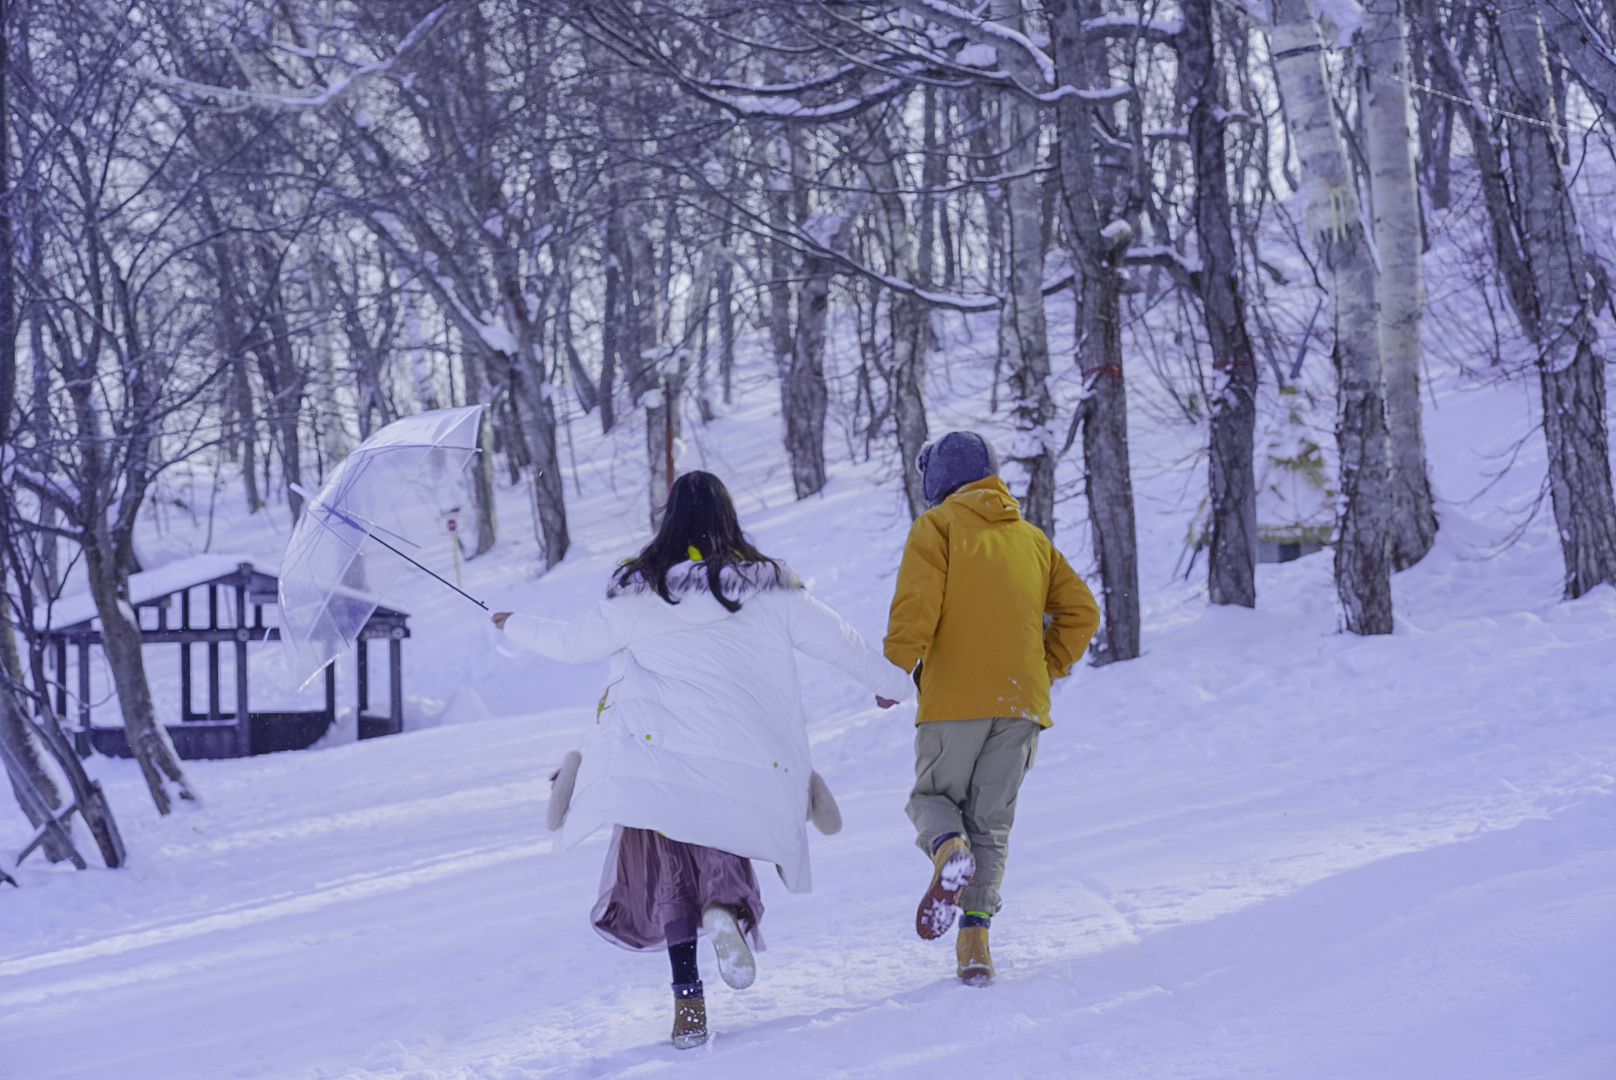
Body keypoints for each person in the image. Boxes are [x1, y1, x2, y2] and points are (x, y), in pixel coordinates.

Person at [493, 471, 912, 1049]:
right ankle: (724, 909)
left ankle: (688, 1007)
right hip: (740, 760)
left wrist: (511, 622)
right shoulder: (769, 593)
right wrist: (894, 684)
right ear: (727, 520)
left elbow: (569, 644)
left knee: (670, 874)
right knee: (721, 839)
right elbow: (842, 642)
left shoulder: (639, 596)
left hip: (657, 764)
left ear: (671, 521)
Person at [880, 432, 1100, 984]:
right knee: (993, 823)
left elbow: (917, 604)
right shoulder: (1032, 539)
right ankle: (974, 946)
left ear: (937, 481)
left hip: (955, 699)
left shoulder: (937, 527)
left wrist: (895, 667)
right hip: (1022, 703)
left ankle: (946, 847)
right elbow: (1082, 612)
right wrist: (1043, 666)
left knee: (933, 799)